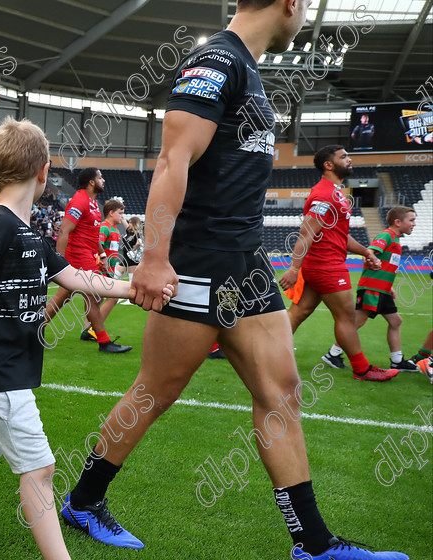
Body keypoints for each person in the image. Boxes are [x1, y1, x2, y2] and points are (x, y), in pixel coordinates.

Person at [60, 2, 409, 560]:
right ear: (290, 4)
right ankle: (82, 502)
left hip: (245, 264)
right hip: (198, 262)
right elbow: (173, 160)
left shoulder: (247, 69)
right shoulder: (217, 61)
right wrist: (152, 258)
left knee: (283, 392)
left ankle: (313, 545)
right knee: (156, 390)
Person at [0, 118, 169, 560]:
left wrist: (137, 288)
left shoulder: (29, 234)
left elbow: (81, 279)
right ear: (45, 172)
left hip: (11, 367)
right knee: (41, 470)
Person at [281, 145, 398, 381]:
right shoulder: (324, 194)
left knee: (299, 312)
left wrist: (366, 252)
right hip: (327, 266)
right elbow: (306, 233)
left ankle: (268, 354)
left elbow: (340, 235)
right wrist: (294, 268)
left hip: (323, 265)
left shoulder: (336, 194)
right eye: (343, 157)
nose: (350, 159)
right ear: (329, 164)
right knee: (346, 317)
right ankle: (362, 369)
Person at [44, 168, 131, 353]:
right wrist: (59, 261)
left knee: (63, 296)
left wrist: (102, 255)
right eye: (100, 177)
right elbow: (64, 231)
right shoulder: (79, 201)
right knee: (91, 296)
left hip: (86, 256)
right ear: (91, 182)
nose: (104, 180)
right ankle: (104, 342)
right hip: (78, 257)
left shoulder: (92, 202)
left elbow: (92, 235)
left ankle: (33, 330)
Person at [321, 206, 418, 372]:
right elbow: (370, 252)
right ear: (397, 222)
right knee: (357, 322)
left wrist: (389, 287)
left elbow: (386, 266)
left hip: (382, 290)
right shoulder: (387, 235)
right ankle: (333, 354)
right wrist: (370, 259)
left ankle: (397, 361)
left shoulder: (396, 240)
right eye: (411, 220)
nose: (414, 224)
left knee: (396, 321)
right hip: (372, 289)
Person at [95, 198, 125, 322]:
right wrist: (101, 263)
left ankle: (89, 329)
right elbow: (96, 246)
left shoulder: (116, 230)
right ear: (111, 213)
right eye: (120, 213)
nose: (122, 217)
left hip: (110, 271)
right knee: (112, 298)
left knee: (97, 302)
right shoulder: (104, 228)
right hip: (102, 270)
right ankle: (94, 328)